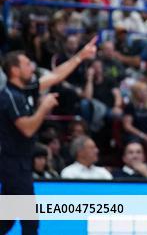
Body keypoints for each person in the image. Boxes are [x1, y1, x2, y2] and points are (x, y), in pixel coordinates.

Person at [0, 39, 97, 235]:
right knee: (30, 223)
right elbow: (26, 128)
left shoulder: (24, 89)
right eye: (27, 64)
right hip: (12, 163)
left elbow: (54, 76)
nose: (32, 67)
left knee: (6, 221)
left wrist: (80, 56)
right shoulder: (9, 96)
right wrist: (43, 108)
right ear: (15, 70)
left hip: (21, 162)